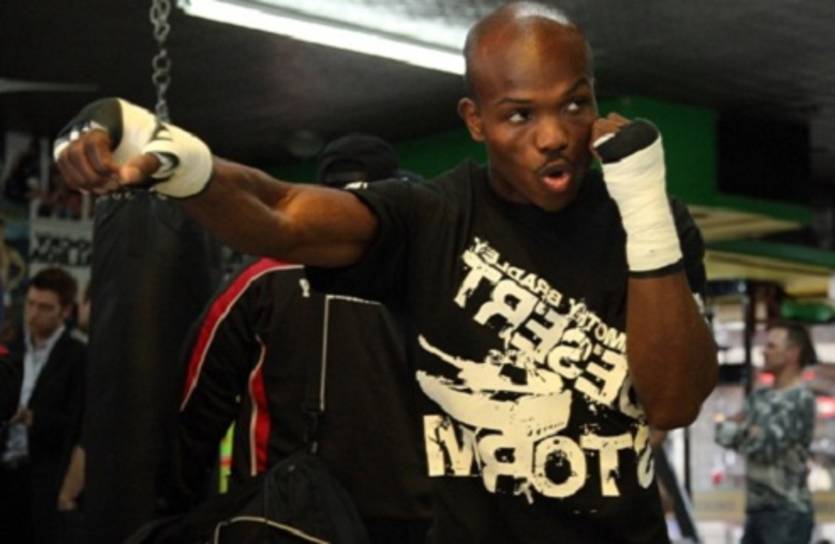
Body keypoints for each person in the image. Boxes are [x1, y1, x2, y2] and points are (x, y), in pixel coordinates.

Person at [54, 2, 718, 542]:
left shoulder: (649, 219)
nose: (554, 136)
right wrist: (170, 158)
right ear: (475, 120)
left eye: (573, 105)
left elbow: (673, 402)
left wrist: (643, 209)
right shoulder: (431, 218)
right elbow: (281, 212)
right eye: (520, 114)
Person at [172, 134, 432, 543]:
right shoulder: (436, 277)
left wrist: (173, 505)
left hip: (287, 514)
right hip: (411, 514)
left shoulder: (261, 281)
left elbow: (195, 405)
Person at [0, 267, 86, 544]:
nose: (34, 313)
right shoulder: (11, 347)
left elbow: (77, 423)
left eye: (45, 307)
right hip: (6, 468)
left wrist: (32, 418)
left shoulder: (77, 357)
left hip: (45, 475)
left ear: (65, 311)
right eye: (31, 304)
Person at [715, 322, 817, 544]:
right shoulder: (760, 397)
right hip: (757, 512)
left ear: (792, 353)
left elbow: (764, 446)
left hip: (787, 514)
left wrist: (743, 430)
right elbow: (721, 432)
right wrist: (748, 431)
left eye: (772, 346)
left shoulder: (799, 399)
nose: (764, 351)